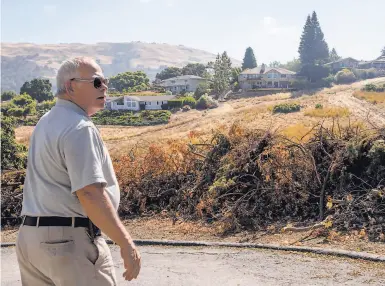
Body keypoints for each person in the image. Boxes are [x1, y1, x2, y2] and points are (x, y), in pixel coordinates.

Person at [16, 57, 141, 285]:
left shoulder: (45, 123)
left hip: (30, 239)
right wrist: (126, 243)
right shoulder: (79, 127)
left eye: (105, 81)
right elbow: (90, 193)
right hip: (70, 241)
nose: (104, 87)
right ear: (70, 86)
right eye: (96, 82)